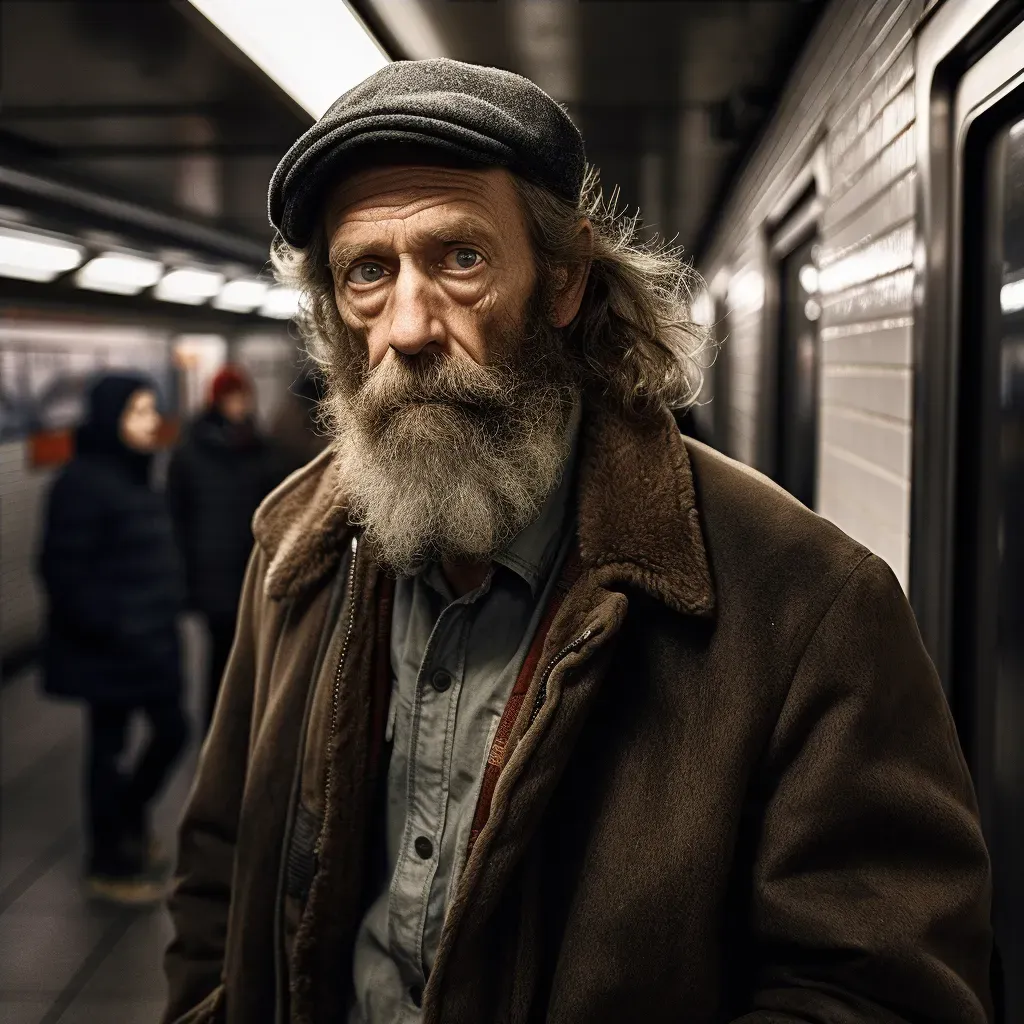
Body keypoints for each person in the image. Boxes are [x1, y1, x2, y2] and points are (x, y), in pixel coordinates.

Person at [162, 60, 993, 1024]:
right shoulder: (296, 553)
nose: (409, 325)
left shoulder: (806, 603)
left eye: (459, 259)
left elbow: (879, 991)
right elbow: (220, 870)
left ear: (562, 281)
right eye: (368, 272)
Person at [39, 372, 188, 906]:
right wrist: (119, 628)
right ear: (111, 419)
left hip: (149, 644)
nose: (152, 422)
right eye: (139, 411)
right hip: (113, 651)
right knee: (110, 754)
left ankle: (125, 825)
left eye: (153, 410)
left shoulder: (135, 473)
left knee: (171, 733)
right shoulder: (81, 483)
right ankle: (108, 861)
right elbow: (62, 574)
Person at [167, 365, 282, 727]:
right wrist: (185, 578)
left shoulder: (259, 448)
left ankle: (245, 732)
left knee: (254, 656)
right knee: (220, 658)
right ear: (217, 401)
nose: (240, 404)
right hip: (212, 573)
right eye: (232, 397)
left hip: (252, 568)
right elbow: (176, 518)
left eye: (243, 396)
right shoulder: (190, 453)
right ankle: (215, 733)